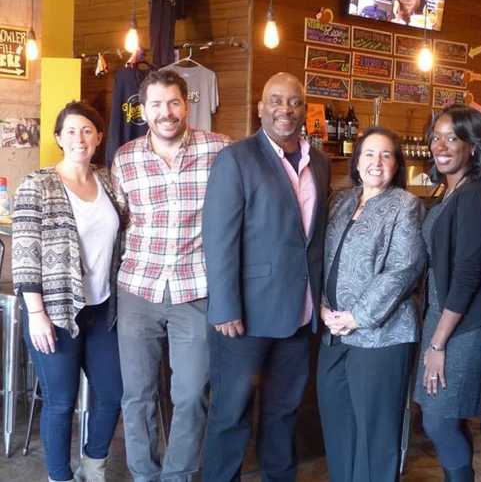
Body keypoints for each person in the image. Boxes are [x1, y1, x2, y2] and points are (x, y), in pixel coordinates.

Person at [202, 72, 331, 481]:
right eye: (276, 101)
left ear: (304, 109)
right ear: (260, 108)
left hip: (299, 313)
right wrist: (224, 307)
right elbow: (218, 239)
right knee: (230, 412)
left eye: (293, 102)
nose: (285, 110)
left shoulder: (320, 163)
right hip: (244, 316)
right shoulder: (236, 158)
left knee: (284, 412)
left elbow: (315, 238)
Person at [111, 70, 230, 481]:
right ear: (143, 110)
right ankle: (144, 474)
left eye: (174, 103)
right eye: (157, 105)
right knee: (138, 394)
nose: (166, 113)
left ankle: (177, 475)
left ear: (187, 104)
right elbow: (119, 221)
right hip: (138, 289)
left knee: (192, 392)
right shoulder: (125, 158)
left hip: (195, 288)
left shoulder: (220, 150)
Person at [13, 101, 123, 482]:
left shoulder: (109, 181)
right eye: (71, 131)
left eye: (87, 130)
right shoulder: (37, 185)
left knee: (112, 393)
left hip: (102, 308)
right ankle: (59, 476)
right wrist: (37, 314)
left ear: (98, 137)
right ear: (59, 138)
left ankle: (93, 467)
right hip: (54, 312)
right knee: (60, 402)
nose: (80, 138)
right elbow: (25, 256)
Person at [317, 127, 425, 482]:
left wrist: (356, 317)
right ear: (356, 160)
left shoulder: (406, 206)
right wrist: (321, 306)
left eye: (386, 155)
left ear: (397, 164)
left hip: (382, 337)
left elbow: (402, 270)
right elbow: (321, 256)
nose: (376, 162)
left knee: (375, 436)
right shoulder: (341, 200)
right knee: (338, 429)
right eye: (368, 154)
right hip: (332, 334)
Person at [413, 105, 481, 482]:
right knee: (441, 416)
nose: (440, 145)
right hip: (443, 312)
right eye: (436, 136)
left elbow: (467, 275)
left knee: (438, 419)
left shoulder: (476, 195)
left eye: (452, 137)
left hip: (466, 321)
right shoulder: (448, 191)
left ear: (473, 146)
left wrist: (438, 343)